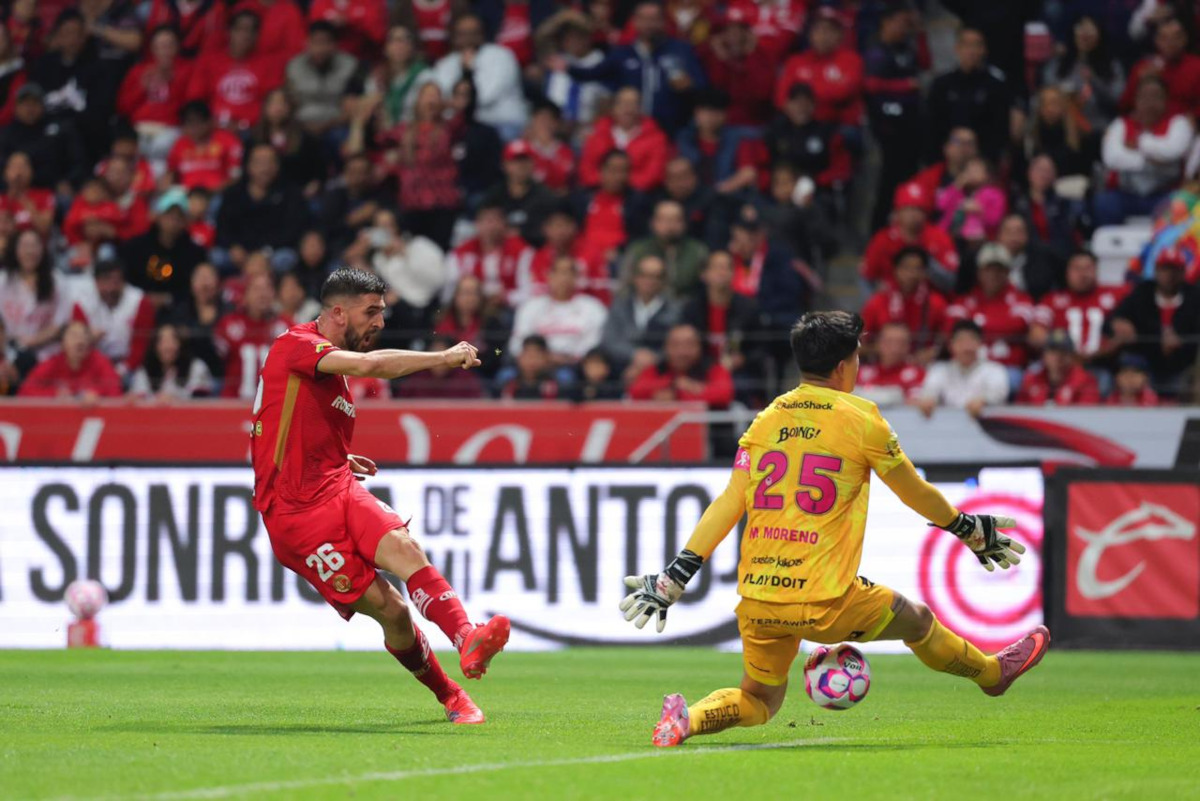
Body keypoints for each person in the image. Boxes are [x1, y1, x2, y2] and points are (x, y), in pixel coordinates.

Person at [624, 311, 1044, 748]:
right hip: (827, 600)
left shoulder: (766, 419)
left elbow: (730, 502)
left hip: (760, 598)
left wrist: (676, 576)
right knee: (918, 621)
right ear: (845, 365)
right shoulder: (863, 419)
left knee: (761, 699)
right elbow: (911, 489)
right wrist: (966, 528)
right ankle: (993, 675)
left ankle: (686, 720)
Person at [251, 267, 507, 722]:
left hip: (337, 487)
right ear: (337, 312)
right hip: (295, 518)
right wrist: (443, 357)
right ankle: (448, 693)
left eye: (382, 313)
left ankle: (467, 638)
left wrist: (335, 456)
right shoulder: (297, 344)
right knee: (392, 612)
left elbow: (274, 422)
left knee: (404, 548)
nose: (379, 323)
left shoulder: (328, 371)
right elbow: (372, 366)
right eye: (371, 312)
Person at [559, 0, 705, 136]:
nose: (649, 25)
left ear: (663, 21)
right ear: (635, 21)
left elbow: (702, 85)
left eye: (654, 19)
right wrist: (568, 68)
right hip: (631, 132)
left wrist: (689, 86)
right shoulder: (622, 53)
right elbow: (593, 73)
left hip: (674, 130)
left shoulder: (680, 50)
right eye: (644, 19)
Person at [1096, 75, 1193, 226]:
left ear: (1165, 100)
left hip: (1163, 194)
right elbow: (1112, 158)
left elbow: (1173, 150)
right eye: (1145, 97)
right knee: (1104, 202)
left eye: (1156, 97)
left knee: (1181, 203)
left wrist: (1140, 143)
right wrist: (1153, 160)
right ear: (1136, 100)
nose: (1150, 103)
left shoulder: (1178, 123)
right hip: (1126, 194)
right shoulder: (1120, 125)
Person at [864, 3, 925, 230]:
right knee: (888, 182)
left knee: (908, 178)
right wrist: (905, 85)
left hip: (909, 124)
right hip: (884, 126)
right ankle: (877, 229)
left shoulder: (906, 47)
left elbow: (925, 63)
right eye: (900, 22)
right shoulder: (876, 50)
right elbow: (871, 85)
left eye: (906, 23)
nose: (903, 28)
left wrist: (920, 34)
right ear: (886, 22)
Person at [1108, 246, 1200, 394]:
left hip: (1182, 364)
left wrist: (1181, 341)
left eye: (1175, 269)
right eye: (1165, 269)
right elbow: (1114, 318)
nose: (1170, 275)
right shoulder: (1142, 292)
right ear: (1156, 270)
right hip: (1145, 362)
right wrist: (1118, 322)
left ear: (1183, 272)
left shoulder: (1194, 297)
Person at [214, 143, 310, 274]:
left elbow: (293, 230)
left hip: (273, 251)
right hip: (240, 253)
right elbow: (222, 227)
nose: (265, 168)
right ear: (248, 166)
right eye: (259, 162)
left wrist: (265, 252)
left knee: (287, 258)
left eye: (270, 162)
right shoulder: (233, 193)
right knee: (217, 256)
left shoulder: (290, 193)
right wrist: (233, 246)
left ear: (277, 166)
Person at [680, 250, 762, 401]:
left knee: (742, 387)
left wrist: (742, 358)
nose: (722, 272)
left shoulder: (748, 308)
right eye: (717, 267)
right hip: (699, 370)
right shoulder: (691, 309)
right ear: (704, 275)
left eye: (727, 268)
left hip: (737, 373)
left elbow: (760, 348)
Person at [925, 28, 1016, 163]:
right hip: (945, 160)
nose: (971, 51)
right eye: (966, 45)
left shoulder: (996, 86)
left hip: (983, 162)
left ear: (984, 50)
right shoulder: (941, 85)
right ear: (957, 48)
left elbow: (1000, 132)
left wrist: (984, 161)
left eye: (977, 45)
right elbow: (932, 129)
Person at [431, 13, 526, 139]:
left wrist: (468, 71)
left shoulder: (501, 56)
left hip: (500, 123)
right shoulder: (445, 63)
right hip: (458, 127)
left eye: (473, 32)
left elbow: (487, 95)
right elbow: (440, 95)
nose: (468, 38)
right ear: (454, 37)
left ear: (482, 34)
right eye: (463, 33)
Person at [185, 10, 284, 130]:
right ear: (229, 32)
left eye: (251, 31)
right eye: (240, 29)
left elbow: (273, 103)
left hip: (254, 130)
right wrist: (210, 123)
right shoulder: (208, 61)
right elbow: (195, 100)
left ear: (257, 35)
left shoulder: (269, 64)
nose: (246, 36)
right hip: (213, 128)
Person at [945, 243, 1034, 374]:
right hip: (967, 369)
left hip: (1007, 369)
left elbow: (1019, 325)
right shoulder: (964, 301)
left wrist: (977, 325)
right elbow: (951, 328)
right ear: (979, 272)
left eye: (999, 269)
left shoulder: (1021, 300)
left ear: (1007, 272)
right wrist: (999, 326)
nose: (993, 275)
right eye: (988, 269)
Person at [774, 8, 863, 134]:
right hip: (800, 125)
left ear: (840, 35)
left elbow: (844, 92)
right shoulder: (795, 61)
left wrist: (804, 98)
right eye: (818, 29)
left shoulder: (852, 60)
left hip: (838, 126)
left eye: (829, 30)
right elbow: (781, 98)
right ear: (810, 34)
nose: (823, 35)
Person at [507, 255, 607, 364]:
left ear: (577, 277)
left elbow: (594, 343)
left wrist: (568, 358)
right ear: (549, 276)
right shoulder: (530, 307)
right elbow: (517, 343)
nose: (563, 278)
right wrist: (539, 357)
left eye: (568, 273)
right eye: (558, 272)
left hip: (575, 366)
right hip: (535, 364)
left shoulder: (593, 307)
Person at [861, 181, 959, 291]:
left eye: (919, 209)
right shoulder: (883, 239)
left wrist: (927, 261)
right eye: (908, 208)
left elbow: (950, 282)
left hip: (928, 302)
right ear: (898, 212)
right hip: (890, 302)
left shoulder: (939, 237)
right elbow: (867, 277)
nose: (913, 214)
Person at [1031, 249, 1126, 359]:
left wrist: (1110, 346)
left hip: (1104, 362)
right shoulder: (1050, 301)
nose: (1083, 274)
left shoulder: (1116, 295)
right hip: (1063, 366)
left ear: (1097, 270)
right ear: (1066, 272)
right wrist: (1059, 352)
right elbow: (1036, 333)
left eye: (1088, 268)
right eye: (1077, 269)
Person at [117, 25, 192, 164]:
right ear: (152, 48)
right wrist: (142, 87)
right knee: (127, 148)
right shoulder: (138, 71)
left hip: (169, 128)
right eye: (160, 46)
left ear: (177, 47)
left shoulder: (188, 69)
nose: (165, 51)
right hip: (139, 128)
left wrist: (172, 82)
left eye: (169, 45)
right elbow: (124, 107)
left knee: (160, 147)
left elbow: (190, 107)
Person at [70, 258, 156, 377]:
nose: (110, 288)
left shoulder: (139, 301)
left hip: (130, 365)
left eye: (115, 282)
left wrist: (121, 370)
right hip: (94, 364)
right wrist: (88, 339)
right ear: (96, 282)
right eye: (105, 282)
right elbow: (75, 342)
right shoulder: (82, 303)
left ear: (123, 281)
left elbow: (140, 345)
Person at [213, 270, 291, 398]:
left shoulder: (286, 326)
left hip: (274, 407)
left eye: (267, 288)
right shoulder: (229, 324)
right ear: (245, 295)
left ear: (274, 294)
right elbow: (213, 363)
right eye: (256, 289)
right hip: (233, 405)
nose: (262, 294)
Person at [859, 246, 947, 358]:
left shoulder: (936, 302)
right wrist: (880, 349)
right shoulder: (877, 302)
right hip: (883, 366)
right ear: (895, 270)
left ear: (925, 273)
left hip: (924, 368)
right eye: (906, 268)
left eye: (918, 268)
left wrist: (933, 352)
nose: (911, 273)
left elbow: (948, 340)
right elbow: (856, 346)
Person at [1043, 15, 1124, 134]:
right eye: (1080, 27)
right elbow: (1047, 92)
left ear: (1099, 33)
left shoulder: (1111, 66)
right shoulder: (1059, 63)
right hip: (1063, 129)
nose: (1085, 32)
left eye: (1090, 28)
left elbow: (1118, 98)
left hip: (1102, 129)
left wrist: (1094, 81)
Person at [601, 253, 678, 379]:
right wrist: (634, 354)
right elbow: (609, 340)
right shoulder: (619, 306)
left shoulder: (675, 310)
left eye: (656, 277)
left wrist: (652, 360)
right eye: (645, 275)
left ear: (663, 281)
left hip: (661, 372)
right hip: (620, 368)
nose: (649, 281)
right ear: (635, 277)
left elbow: (677, 345)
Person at [578, 87, 669, 193]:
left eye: (633, 103)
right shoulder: (596, 134)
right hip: (599, 191)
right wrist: (610, 183)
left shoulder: (656, 137)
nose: (628, 109)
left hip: (639, 194)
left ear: (640, 108)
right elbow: (586, 171)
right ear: (613, 108)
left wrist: (619, 183)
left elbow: (653, 174)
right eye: (623, 103)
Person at [0, 228, 69, 365]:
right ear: (15, 250)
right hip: (10, 351)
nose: (30, 252)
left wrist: (32, 341)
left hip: (48, 352)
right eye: (25, 246)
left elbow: (60, 324)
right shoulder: (3, 280)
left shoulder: (57, 281)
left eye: (35, 246)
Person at [915, 319, 1011, 417]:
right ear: (951, 345)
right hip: (946, 426)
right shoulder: (939, 370)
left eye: (972, 340)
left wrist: (984, 400)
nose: (966, 347)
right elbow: (929, 392)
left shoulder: (995, 370)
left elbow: (999, 394)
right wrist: (928, 400)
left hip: (985, 425)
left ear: (980, 344)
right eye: (961, 341)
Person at [447, 202, 533, 308]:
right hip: (471, 307)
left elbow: (529, 291)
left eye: (495, 221)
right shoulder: (461, 252)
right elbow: (449, 291)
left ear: (504, 225)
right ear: (477, 224)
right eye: (486, 221)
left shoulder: (521, 251)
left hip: (508, 308)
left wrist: (507, 297)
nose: (490, 226)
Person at [628, 322, 734, 408]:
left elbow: (724, 394)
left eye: (689, 345)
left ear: (699, 347)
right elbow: (635, 391)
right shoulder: (657, 368)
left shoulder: (712, 368)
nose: (682, 351)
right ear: (666, 347)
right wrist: (672, 384)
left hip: (709, 431)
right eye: (675, 345)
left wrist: (681, 395)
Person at [286, 20, 358, 145]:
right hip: (302, 124)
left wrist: (326, 126)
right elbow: (289, 103)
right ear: (307, 43)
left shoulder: (350, 66)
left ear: (335, 44)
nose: (320, 49)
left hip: (336, 124)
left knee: (342, 137)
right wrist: (302, 125)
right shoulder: (294, 67)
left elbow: (352, 106)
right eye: (316, 42)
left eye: (325, 42)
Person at [620, 199, 708, 298]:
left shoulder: (697, 251)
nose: (670, 225)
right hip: (646, 308)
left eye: (676, 220)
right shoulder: (638, 250)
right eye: (664, 220)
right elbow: (624, 287)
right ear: (653, 223)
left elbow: (706, 289)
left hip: (687, 309)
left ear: (684, 224)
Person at [18, 319, 123, 399]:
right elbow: (25, 390)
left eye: (85, 336)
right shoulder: (53, 363)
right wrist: (54, 394)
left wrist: (96, 393)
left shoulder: (100, 361)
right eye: (74, 336)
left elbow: (115, 390)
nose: (80, 340)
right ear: (63, 343)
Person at [246, 88, 325, 195]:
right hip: (262, 194)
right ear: (265, 108)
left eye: (282, 103)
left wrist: (313, 186)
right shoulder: (254, 138)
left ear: (290, 108)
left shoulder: (306, 138)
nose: (277, 108)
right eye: (273, 103)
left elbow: (319, 171)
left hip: (297, 194)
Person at [481, 139, 558, 247]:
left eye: (525, 160)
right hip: (500, 255)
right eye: (515, 161)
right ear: (505, 165)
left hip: (534, 254)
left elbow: (552, 232)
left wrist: (522, 234)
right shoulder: (493, 197)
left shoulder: (546, 197)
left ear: (533, 163)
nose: (521, 166)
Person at [1119, 17, 1200, 116]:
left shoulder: (1196, 66)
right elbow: (1124, 106)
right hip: (1149, 126)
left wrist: (1194, 117)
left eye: (1176, 37)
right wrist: (1139, 81)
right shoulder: (1142, 67)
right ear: (1157, 41)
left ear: (1185, 39)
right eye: (1164, 38)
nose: (1170, 43)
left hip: (1185, 125)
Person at [165, 100, 244, 192]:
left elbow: (235, 176)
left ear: (210, 121)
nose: (194, 128)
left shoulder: (227, 140)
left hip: (220, 194)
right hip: (187, 195)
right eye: (189, 123)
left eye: (197, 122)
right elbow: (171, 173)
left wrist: (214, 191)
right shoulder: (180, 144)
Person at [128, 322, 215, 399]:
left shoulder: (196, 367)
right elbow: (139, 400)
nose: (167, 347)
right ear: (154, 346)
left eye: (172, 340)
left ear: (180, 343)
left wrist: (176, 401)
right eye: (162, 341)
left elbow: (201, 402)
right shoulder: (144, 371)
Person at [1015, 330, 1101, 406]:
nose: (1058, 357)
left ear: (1071, 356)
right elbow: (1020, 412)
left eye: (1063, 352)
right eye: (1052, 351)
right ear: (1044, 355)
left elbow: (1087, 414)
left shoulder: (1085, 381)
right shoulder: (1031, 380)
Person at [936, 156, 1007, 244]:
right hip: (949, 237)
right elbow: (941, 205)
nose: (972, 174)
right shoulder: (956, 190)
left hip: (980, 241)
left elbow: (995, 220)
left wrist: (979, 210)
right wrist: (957, 185)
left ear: (987, 175)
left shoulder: (995, 194)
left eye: (976, 170)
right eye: (969, 171)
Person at [855, 321, 925, 407]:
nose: (895, 349)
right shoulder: (860, 373)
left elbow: (915, 404)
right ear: (879, 344)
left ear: (908, 346)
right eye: (889, 342)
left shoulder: (918, 375)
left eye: (901, 343)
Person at [307, 0, 386, 61]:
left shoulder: (370, 2)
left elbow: (378, 36)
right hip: (328, 61)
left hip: (363, 59)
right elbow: (313, 34)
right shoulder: (321, 4)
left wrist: (350, 21)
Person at [0, 151, 54, 237]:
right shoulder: (2, 199)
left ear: (31, 171)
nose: (18, 172)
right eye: (14, 167)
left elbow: (44, 229)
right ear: (6, 172)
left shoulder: (44, 195)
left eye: (22, 167)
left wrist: (24, 201)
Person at [497, 334, 561, 399]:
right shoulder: (509, 386)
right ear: (520, 357)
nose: (532, 361)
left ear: (546, 358)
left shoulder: (556, 386)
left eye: (536, 356)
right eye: (528, 356)